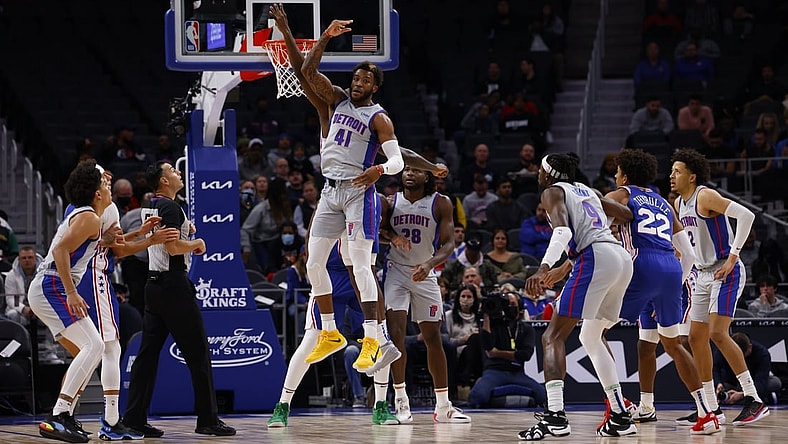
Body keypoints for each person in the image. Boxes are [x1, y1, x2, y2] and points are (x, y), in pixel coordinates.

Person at [298, 16, 446, 371]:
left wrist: (378, 170)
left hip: (358, 194)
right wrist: (326, 37)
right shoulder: (335, 100)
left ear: (374, 87)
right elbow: (306, 71)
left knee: (360, 265)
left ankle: (370, 336)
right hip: (330, 193)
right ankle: (331, 332)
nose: (357, 83)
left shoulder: (379, 118)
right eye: (355, 78)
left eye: (365, 79)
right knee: (313, 263)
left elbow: (396, 160)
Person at [517, 153, 635, 440]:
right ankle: (620, 414)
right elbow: (626, 214)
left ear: (549, 174)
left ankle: (555, 416)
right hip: (620, 258)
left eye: (541, 171)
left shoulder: (551, 192)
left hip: (594, 257)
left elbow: (562, 232)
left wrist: (543, 267)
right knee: (591, 337)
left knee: (552, 337)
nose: (538, 175)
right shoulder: (590, 191)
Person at [605, 149, 719, 434]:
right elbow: (689, 255)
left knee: (594, 332)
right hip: (670, 269)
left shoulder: (621, 195)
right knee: (662, 344)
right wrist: (670, 288)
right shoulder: (665, 204)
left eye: (617, 172)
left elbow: (599, 226)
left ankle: (617, 406)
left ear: (625, 176)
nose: (615, 176)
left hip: (640, 266)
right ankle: (702, 413)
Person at [64, 166, 180, 441]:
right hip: (93, 277)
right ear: (94, 184)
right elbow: (119, 250)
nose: (108, 178)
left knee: (100, 351)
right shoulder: (106, 207)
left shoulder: (76, 207)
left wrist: (138, 231)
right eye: (103, 176)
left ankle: (90, 416)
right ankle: (107, 420)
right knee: (109, 349)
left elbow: (107, 244)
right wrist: (151, 239)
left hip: (84, 276)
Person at [121, 162, 236, 437]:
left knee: (147, 356)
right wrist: (197, 244)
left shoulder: (152, 205)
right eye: (172, 170)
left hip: (153, 286)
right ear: (163, 180)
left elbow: (167, 240)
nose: (177, 172)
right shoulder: (170, 207)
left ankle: (134, 418)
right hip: (173, 287)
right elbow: (173, 247)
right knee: (198, 354)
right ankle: (208, 420)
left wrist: (186, 231)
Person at [670, 148, 769, 426]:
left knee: (717, 332)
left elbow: (746, 216)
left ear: (692, 175)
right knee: (694, 338)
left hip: (725, 269)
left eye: (677, 171)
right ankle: (710, 407)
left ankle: (754, 398)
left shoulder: (705, 196)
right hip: (701, 275)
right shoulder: (679, 203)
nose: (672, 175)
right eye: (672, 171)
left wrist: (734, 257)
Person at [28, 160, 111, 443]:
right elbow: (62, 250)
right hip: (52, 285)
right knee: (94, 345)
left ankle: (65, 414)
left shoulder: (84, 215)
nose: (108, 186)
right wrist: (71, 292)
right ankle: (58, 415)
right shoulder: (90, 218)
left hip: (50, 285)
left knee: (87, 352)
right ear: (96, 193)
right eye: (104, 183)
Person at [380, 165, 470, 423]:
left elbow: (450, 243)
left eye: (416, 171)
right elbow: (382, 231)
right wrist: (393, 237)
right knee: (396, 333)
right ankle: (400, 400)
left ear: (427, 177)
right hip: (396, 271)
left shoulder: (441, 203)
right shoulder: (390, 201)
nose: (409, 174)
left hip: (425, 272)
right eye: (406, 169)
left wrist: (430, 265)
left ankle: (443, 406)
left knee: (433, 338)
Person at [468, 291, 547, 407]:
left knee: (543, 395)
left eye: (512, 304)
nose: (509, 307)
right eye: (506, 304)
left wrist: (497, 353)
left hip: (517, 372)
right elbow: (488, 347)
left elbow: (525, 355)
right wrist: (486, 316)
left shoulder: (526, 329)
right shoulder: (493, 324)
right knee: (477, 396)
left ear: (520, 308)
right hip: (494, 371)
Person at [4, 246, 63, 364]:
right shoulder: (11, 275)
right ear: (19, 260)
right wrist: (23, 309)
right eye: (24, 258)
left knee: (54, 315)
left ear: (35, 259)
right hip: (21, 310)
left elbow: (51, 294)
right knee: (12, 314)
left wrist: (39, 309)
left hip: (42, 308)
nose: (27, 260)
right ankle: (19, 352)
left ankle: (50, 352)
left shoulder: (46, 273)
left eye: (30, 257)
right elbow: (11, 299)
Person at [714, 332, 780, 406]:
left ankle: (743, 397)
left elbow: (761, 381)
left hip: (753, 382)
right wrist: (718, 383)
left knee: (775, 382)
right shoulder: (723, 350)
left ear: (750, 347)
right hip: (731, 383)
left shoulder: (762, 353)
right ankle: (733, 397)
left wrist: (742, 394)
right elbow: (715, 367)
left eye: (742, 356)